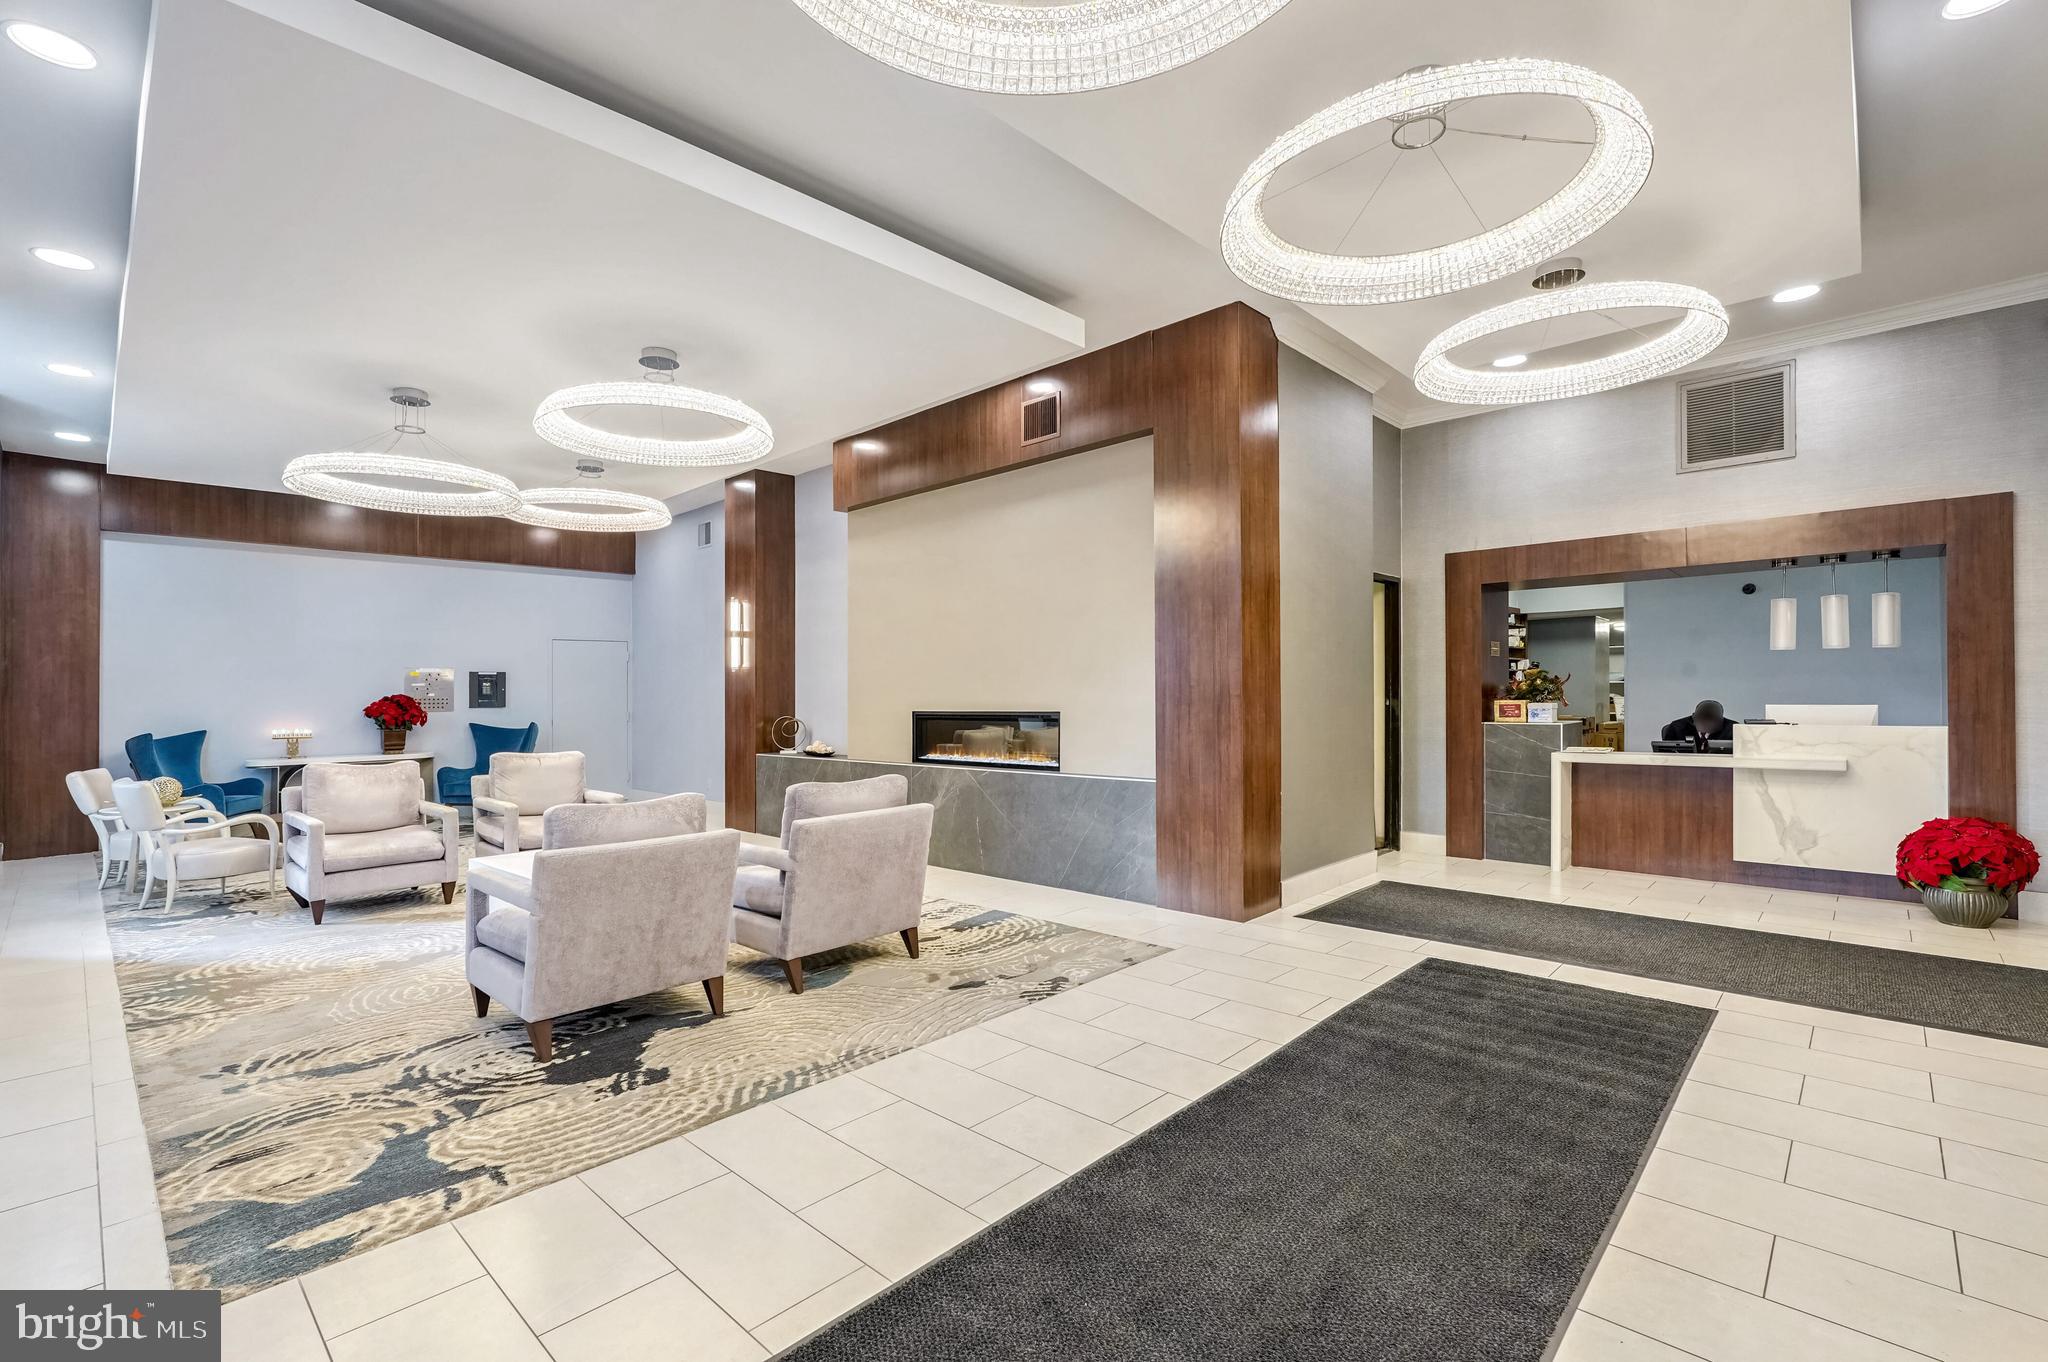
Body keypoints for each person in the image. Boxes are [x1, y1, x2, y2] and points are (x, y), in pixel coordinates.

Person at [1660, 700, 1735, 751]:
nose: (1706, 723)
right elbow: (1665, 754)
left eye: (1711, 720)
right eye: (1702, 719)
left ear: (1721, 720)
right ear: (1693, 717)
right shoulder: (1677, 727)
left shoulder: (1733, 729)